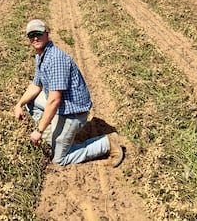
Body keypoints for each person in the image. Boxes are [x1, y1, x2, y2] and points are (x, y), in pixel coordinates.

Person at [14, 19, 124, 167]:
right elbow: (36, 85)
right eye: (31, 35)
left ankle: (107, 143)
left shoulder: (55, 59)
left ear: (47, 34)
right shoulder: (41, 56)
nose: (35, 38)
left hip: (73, 112)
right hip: (60, 106)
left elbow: (54, 100)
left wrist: (39, 130)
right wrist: (19, 104)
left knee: (59, 159)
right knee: (30, 101)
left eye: (38, 33)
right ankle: (54, 136)